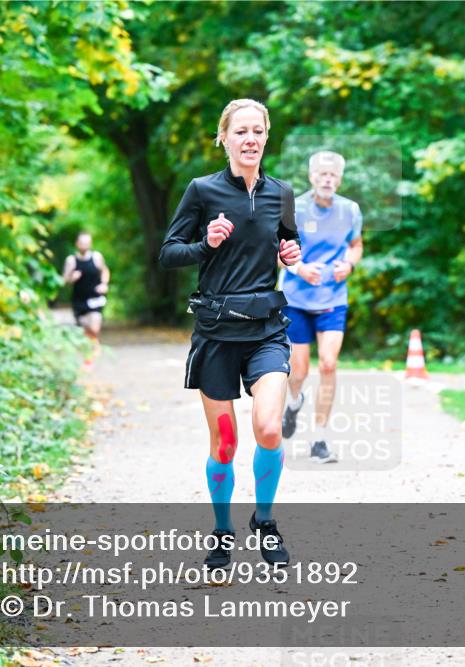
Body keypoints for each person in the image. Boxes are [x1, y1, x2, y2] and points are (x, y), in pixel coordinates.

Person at [159, 99, 301, 570]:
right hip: (217, 333)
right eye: (240, 131)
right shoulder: (202, 190)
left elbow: (287, 241)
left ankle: (265, 520)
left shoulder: (281, 193)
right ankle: (223, 530)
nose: (250, 139)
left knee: (269, 428)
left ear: (266, 136)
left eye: (257, 131)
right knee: (224, 443)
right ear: (224, 138)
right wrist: (207, 243)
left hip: (265, 332)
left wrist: (291, 254)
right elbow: (169, 253)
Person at [279, 151, 364, 463]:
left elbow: (356, 245)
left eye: (333, 175)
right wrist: (299, 268)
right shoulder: (294, 209)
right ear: (312, 176)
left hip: (333, 298)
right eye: (322, 174)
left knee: (328, 364)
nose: (327, 180)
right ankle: (293, 403)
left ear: (339, 179)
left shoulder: (350, 210)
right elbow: (277, 252)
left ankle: (319, 439)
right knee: (298, 370)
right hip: (297, 299)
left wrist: (349, 265)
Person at [63, 232, 110, 358]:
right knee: (85, 328)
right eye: (82, 243)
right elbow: (64, 280)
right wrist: (71, 278)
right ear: (77, 244)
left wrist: (104, 284)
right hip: (79, 301)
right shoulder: (71, 260)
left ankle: (93, 351)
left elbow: (105, 271)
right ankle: (90, 349)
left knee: (95, 326)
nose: (85, 245)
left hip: (95, 298)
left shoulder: (97, 257)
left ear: (90, 243)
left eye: (87, 243)